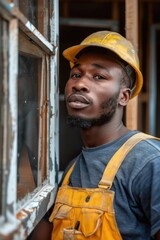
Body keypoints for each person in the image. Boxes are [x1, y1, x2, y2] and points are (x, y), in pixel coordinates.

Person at [29, 31, 160, 240]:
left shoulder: (149, 162)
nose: (79, 84)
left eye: (99, 77)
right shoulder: (73, 170)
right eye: (76, 74)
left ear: (123, 96)